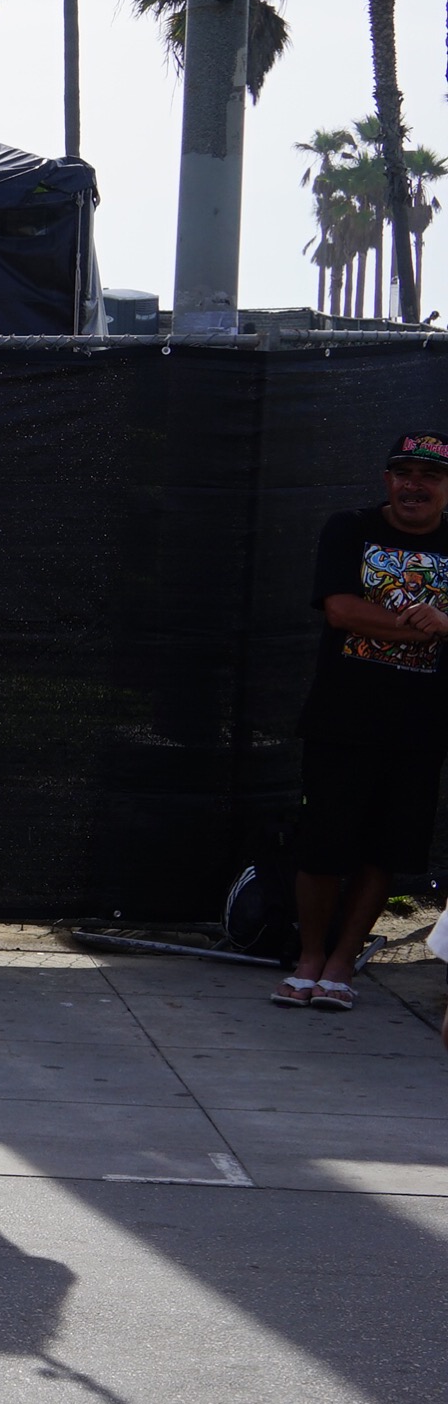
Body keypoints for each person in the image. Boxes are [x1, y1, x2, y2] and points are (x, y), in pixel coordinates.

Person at [280, 431, 448, 1015]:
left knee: (385, 851)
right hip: (342, 720)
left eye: (430, 476)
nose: (414, 486)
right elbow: (339, 609)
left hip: (422, 730)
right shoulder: (349, 528)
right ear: (387, 480)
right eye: (403, 473)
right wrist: (423, 626)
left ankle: (341, 965)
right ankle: (308, 960)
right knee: (322, 845)